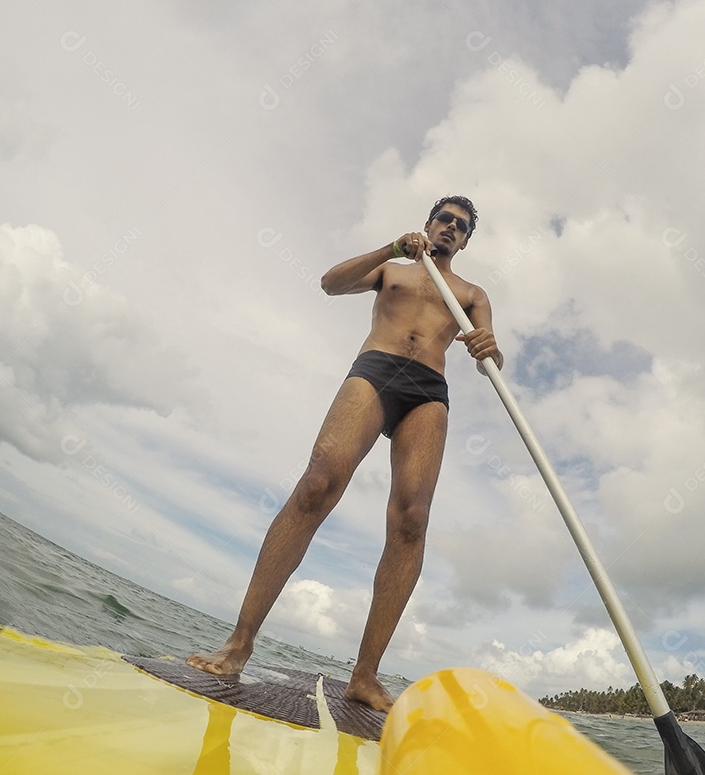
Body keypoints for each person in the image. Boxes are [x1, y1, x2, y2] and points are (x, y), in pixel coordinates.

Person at [187, 196, 503, 712]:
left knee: (412, 520)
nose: (450, 228)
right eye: (443, 219)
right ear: (429, 223)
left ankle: (365, 676)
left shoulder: (470, 293)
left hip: (429, 389)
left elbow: (489, 352)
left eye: (461, 226)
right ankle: (239, 643)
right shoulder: (392, 269)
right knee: (317, 482)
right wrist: (392, 246)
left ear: (466, 240)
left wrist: (491, 346)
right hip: (376, 368)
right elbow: (331, 283)